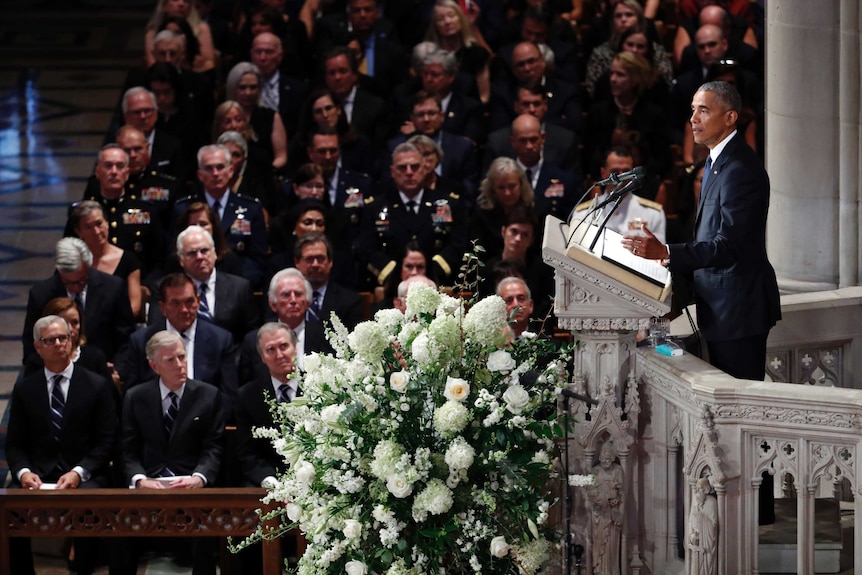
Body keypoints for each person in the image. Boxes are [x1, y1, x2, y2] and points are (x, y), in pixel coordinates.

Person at [622, 81, 780, 381]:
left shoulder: (740, 169)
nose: (693, 119)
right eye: (693, 110)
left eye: (704, 110)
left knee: (736, 405)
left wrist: (667, 251)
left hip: (738, 311)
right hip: (720, 307)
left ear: (730, 117)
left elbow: (728, 246)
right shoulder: (716, 161)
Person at [6, 315, 118, 575]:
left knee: (90, 500)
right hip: (39, 473)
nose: (58, 344)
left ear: (71, 341)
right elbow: (14, 444)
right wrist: (24, 473)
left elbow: (106, 441)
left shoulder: (96, 385)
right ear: (38, 347)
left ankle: (84, 569)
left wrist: (79, 472)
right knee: (9, 506)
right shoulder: (26, 389)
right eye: (50, 340)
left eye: (63, 338)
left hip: (84, 473)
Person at [115, 330, 225, 575]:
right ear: (154, 366)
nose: (180, 365)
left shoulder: (208, 396)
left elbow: (213, 448)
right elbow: (127, 451)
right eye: (170, 360)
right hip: (149, 484)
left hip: (190, 484)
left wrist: (199, 477)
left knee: (205, 519)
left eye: (182, 357)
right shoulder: (135, 397)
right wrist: (140, 479)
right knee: (121, 524)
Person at [117, 273, 238, 415]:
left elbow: (229, 397)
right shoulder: (141, 341)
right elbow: (133, 397)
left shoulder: (221, 340)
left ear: (198, 301)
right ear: (162, 307)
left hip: (205, 424)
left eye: (189, 302)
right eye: (175, 303)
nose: (184, 310)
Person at [358, 143, 467, 288]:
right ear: (392, 172)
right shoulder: (375, 207)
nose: (409, 172)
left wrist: (431, 272)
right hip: (391, 287)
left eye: (415, 167)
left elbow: (457, 244)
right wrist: (395, 273)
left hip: (438, 284)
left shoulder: (447, 204)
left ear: (424, 169)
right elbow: (366, 248)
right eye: (402, 168)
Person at [23, 237, 134, 363]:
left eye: (82, 281)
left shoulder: (113, 288)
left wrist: (116, 372)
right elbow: (31, 346)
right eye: (68, 283)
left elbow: (126, 340)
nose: (76, 288)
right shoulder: (40, 295)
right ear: (59, 272)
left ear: (89, 267)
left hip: (104, 371)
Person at [174, 144, 268, 288]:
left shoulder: (251, 209)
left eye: (220, 167)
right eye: (209, 168)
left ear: (230, 171)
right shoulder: (183, 209)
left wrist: (235, 285)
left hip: (238, 285)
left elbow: (256, 259)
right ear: (199, 175)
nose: (215, 173)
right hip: (192, 286)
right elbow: (175, 254)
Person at [72, 144, 164, 285]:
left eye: (120, 166)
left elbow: (160, 259)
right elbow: (69, 253)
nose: (114, 172)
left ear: (127, 173)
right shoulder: (82, 213)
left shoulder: (146, 211)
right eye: (108, 166)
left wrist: (147, 287)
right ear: (97, 172)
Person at [239, 268, 332, 382]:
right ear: (272, 304)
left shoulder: (326, 338)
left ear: (308, 302)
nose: (293, 300)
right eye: (286, 294)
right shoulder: (253, 341)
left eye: (298, 294)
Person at [170, 225, 258, 342]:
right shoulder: (168, 289)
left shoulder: (240, 288)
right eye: (192, 253)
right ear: (181, 260)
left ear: (215, 254)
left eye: (204, 251)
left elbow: (252, 338)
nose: (199, 257)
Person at [571, 146, 666, 243]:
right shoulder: (584, 213)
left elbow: (658, 255)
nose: (621, 176)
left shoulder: (653, 213)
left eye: (626, 171)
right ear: (603, 173)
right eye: (615, 172)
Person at [69, 201, 143, 319]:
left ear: (107, 223)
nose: (97, 232)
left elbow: (134, 306)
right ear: (79, 232)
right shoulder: (72, 262)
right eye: (88, 227)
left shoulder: (129, 260)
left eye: (99, 224)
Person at [23, 297, 112, 382]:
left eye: (75, 322)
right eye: (63, 322)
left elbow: (109, 395)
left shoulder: (94, 358)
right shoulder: (35, 362)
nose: (70, 328)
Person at [225, 61, 288, 170]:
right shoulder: (224, 115)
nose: (248, 93)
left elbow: (281, 156)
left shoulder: (270, 116)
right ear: (233, 88)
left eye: (253, 87)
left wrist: (266, 172)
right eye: (242, 87)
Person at [425, 0, 492, 103]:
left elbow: (484, 95)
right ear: (435, 26)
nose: (447, 22)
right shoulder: (430, 56)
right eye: (440, 19)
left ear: (460, 19)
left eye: (451, 16)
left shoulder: (476, 54)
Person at [294, 232, 362, 329]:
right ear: (297, 262)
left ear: (330, 262)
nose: (315, 264)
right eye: (309, 259)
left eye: (320, 258)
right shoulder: (285, 299)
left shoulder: (349, 301)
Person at [471, 157, 534, 259]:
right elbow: (476, 253)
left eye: (512, 186)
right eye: (501, 188)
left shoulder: (533, 212)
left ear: (521, 184)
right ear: (492, 189)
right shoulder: (482, 214)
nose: (507, 193)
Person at [121, 87, 186, 180]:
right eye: (137, 112)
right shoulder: (116, 146)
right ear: (126, 117)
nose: (143, 116)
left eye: (147, 111)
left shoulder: (172, 145)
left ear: (156, 113)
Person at [587, 441, 624, 575]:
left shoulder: (618, 470)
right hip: (599, 516)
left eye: (609, 458)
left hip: (612, 516)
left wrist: (615, 498)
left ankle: (612, 571)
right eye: (603, 457)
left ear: (613, 457)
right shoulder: (595, 471)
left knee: (612, 547)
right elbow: (590, 493)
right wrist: (605, 496)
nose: (605, 460)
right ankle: (599, 570)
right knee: (598, 545)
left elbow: (622, 492)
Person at [688, 477, 718, 575]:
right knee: (695, 565)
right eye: (697, 488)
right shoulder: (695, 500)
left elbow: (713, 524)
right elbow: (691, 520)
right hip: (697, 541)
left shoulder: (712, 502)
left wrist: (700, 516)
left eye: (700, 488)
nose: (698, 490)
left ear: (706, 489)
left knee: (707, 560)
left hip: (707, 541)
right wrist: (691, 535)